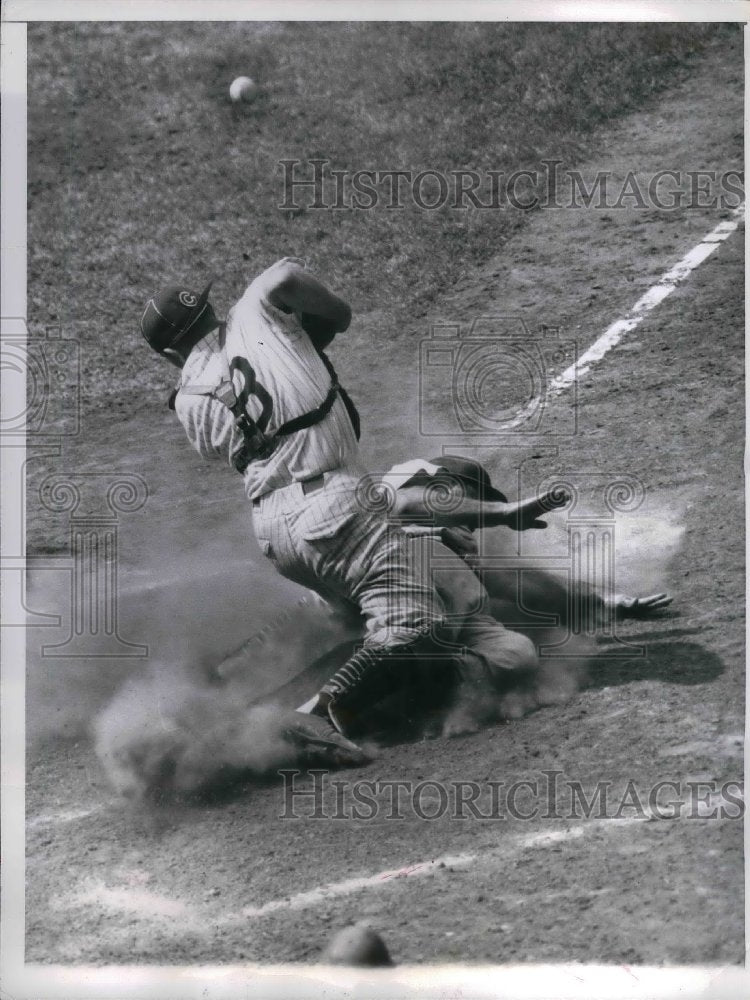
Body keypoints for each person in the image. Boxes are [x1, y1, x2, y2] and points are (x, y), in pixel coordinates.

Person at [141, 258, 566, 761]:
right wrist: (335, 318)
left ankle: (206, 702)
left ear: (171, 353)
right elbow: (284, 274)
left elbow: (239, 398)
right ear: (213, 308)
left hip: (276, 532)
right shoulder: (254, 309)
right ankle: (315, 715)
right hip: (336, 506)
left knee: (339, 616)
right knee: (413, 626)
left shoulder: (187, 402)